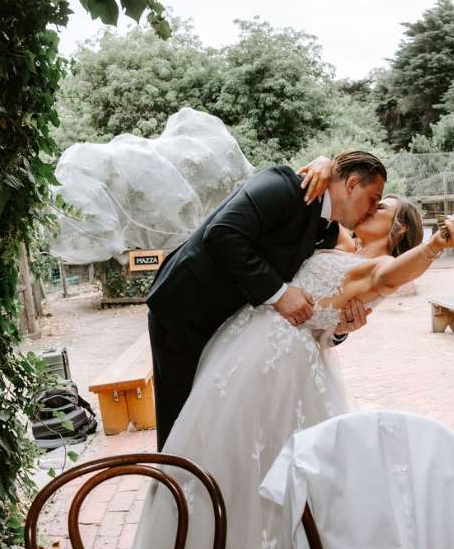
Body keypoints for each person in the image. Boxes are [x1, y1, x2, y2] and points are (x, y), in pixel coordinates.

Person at [127, 198, 454, 549]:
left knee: (265, 472)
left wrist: (437, 244)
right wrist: (337, 328)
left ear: (397, 229)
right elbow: (322, 308)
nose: (370, 206)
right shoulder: (339, 246)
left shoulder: (381, 267)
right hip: (247, 353)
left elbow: (389, 279)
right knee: (226, 458)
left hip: (279, 372)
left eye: (382, 206)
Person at [145, 151, 385, 451]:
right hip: (186, 309)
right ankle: (174, 493)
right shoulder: (282, 186)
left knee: (213, 424)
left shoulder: (325, 227)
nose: (373, 210)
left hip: (232, 326)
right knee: (181, 419)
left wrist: (339, 328)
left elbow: (323, 287)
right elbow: (222, 232)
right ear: (351, 184)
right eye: (374, 198)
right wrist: (279, 294)